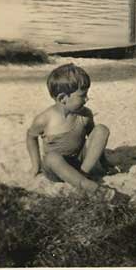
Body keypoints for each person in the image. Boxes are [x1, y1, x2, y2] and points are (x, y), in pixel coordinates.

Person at [26, 63, 115, 198]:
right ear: (62, 98)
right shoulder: (44, 119)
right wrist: (35, 165)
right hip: (56, 169)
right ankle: (87, 185)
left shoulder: (85, 115)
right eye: (82, 95)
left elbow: (95, 142)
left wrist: (104, 162)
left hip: (81, 164)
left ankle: (82, 176)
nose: (87, 99)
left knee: (102, 130)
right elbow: (31, 137)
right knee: (51, 157)